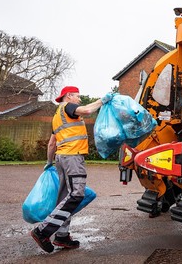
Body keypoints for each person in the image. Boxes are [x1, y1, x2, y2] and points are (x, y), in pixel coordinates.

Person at [30, 86, 113, 253]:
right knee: (76, 194)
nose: (79, 99)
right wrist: (102, 100)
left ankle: (62, 236)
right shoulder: (68, 107)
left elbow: (52, 143)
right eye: (77, 96)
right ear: (68, 96)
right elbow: (88, 110)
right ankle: (42, 231)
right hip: (73, 157)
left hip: (61, 158)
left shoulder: (57, 117)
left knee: (64, 198)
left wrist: (49, 161)